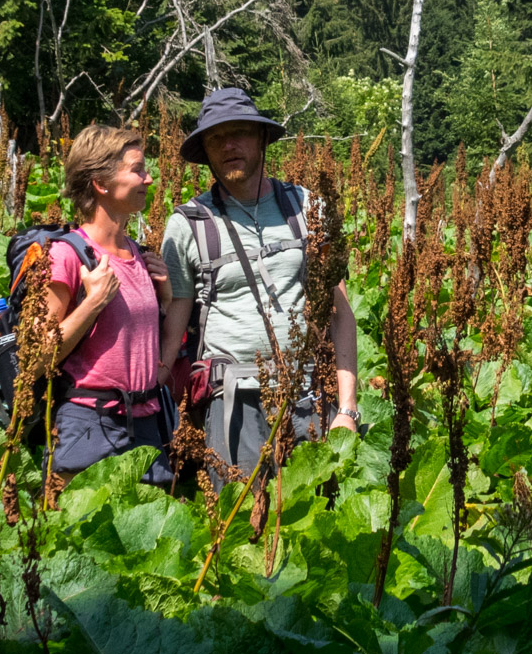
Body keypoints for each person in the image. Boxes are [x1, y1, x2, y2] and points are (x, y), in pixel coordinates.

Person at [159, 88, 360, 478]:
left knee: (322, 525)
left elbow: (340, 313)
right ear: (205, 150)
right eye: (216, 138)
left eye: (240, 133)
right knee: (242, 530)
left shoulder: (306, 208)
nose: (229, 146)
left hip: (310, 397)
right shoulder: (187, 224)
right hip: (233, 406)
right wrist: (154, 406)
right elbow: (173, 332)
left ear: (262, 139)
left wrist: (348, 408)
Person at [42, 124, 175, 481]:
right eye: (137, 169)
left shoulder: (139, 255)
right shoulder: (67, 255)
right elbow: (39, 356)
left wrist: (163, 301)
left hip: (146, 424)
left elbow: (140, 346)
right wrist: (93, 302)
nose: (148, 179)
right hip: (90, 424)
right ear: (101, 183)